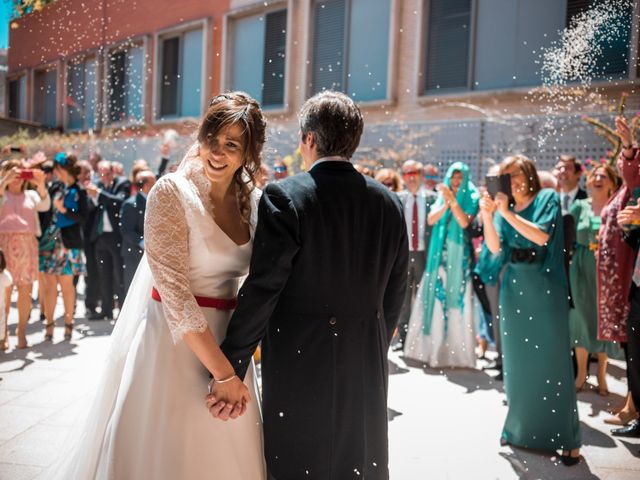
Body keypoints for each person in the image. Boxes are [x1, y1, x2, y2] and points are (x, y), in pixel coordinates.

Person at [49, 92, 267, 479]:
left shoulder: (252, 200)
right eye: (210, 139)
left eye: (231, 144)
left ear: (249, 153)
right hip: (173, 346)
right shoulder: (170, 192)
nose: (217, 152)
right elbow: (176, 295)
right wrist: (224, 376)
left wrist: (239, 360)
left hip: (231, 349)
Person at [211, 90, 408, 480]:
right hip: (364, 357)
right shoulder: (389, 202)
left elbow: (265, 287)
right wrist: (373, 339)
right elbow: (397, 287)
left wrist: (229, 364)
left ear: (310, 139)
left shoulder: (287, 196)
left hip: (301, 354)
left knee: (302, 459)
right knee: (359, 459)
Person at [479, 155, 581, 465]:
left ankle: (567, 439)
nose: (512, 180)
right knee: (519, 366)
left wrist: (505, 212)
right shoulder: (502, 208)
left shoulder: (546, 197)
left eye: (516, 174)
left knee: (553, 363)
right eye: (505, 176)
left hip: (544, 287)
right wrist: (487, 216)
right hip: (514, 289)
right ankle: (520, 430)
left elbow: (541, 235)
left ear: (529, 174)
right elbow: (496, 249)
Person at [403, 162, 479, 368]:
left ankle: (456, 355)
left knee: (455, 302)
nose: (456, 181)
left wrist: (453, 201)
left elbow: (464, 222)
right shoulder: (441, 197)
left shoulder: (472, 197)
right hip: (438, 258)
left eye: (460, 177)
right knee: (434, 302)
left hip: (459, 260)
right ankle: (432, 351)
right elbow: (430, 219)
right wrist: (445, 203)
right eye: (453, 176)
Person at [598, 116, 640, 426]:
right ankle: (635, 408)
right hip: (636, 277)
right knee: (635, 346)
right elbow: (633, 176)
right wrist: (627, 144)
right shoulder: (631, 183)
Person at [570, 164, 622, 395]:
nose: (599, 178)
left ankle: (601, 376)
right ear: (589, 182)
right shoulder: (579, 207)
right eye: (595, 176)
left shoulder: (616, 206)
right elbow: (567, 237)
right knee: (581, 319)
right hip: (580, 268)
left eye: (604, 176)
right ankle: (581, 374)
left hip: (605, 269)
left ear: (612, 182)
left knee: (602, 320)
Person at [0, 159, 50, 349]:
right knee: (4, 293)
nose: (17, 179)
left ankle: (21, 332)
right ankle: (2, 333)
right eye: (13, 174)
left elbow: (45, 205)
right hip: (3, 249)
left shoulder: (31, 195)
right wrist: (3, 182)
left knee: (25, 292)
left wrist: (40, 184)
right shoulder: (1, 193)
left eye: (20, 174)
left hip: (27, 246)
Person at [40, 153, 88, 342]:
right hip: (51, 243)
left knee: (67, 286)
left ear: (63, 169)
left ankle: (68, 324)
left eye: (57, 169)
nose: (55, 173)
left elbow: (83, 218)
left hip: (69, 244)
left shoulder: (80, 191)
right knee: (50, 286)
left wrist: (64, 210)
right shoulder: (55, 188)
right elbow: (45, 212)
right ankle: (49, 326)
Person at [393, 160, 437, 351]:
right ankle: (403, 339)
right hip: (403, 254)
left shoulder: (433, 199)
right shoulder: (397, 198)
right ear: (402, 176)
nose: (411, 177)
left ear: (421, 174)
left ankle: (420, 339)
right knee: (402, 299)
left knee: (423, 297)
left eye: (415, 173)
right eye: (407, 173)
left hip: (424, 254)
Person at [86, 160, 131, 319]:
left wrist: (99, 194)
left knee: (119, 275)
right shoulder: (98, 185)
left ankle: (122, 311)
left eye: (106, 174)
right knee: (103, 275)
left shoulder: (122, 183)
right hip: (100, 236)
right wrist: (93, 197)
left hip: (115, 236)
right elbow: (91, 208)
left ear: (113, 172)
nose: (103, 177)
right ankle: (106, 310)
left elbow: (119, 201)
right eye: (101, 174)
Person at [120, 170, 156, 295]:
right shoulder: (131, 204)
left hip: (152, 255)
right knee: (133, 290)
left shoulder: (156, 201)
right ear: (146, 185)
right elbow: (126, 230)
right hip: (134, 254)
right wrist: (143, 242)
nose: (156, 184)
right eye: (153, 182)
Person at [0, 250, 13, 350]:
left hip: (1, 309)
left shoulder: (4, 277)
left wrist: (7, 308)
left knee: (2, 326)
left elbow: (8, 294)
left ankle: (3, 340)